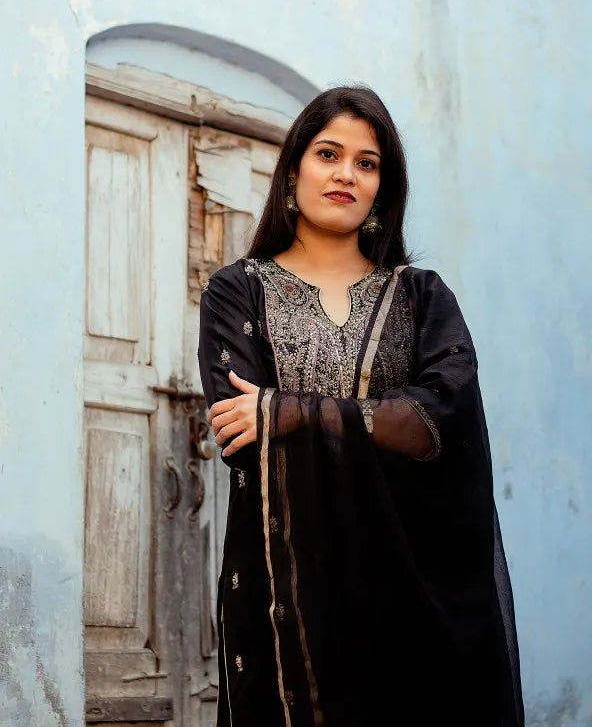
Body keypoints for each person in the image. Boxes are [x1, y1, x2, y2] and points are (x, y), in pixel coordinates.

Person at [198, 86, 524, 727]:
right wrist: (374, 422)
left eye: (367, 162)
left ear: (383, 186)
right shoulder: (238, 293)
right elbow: (243, 434)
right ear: (295, 169)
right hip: (289, 596)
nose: (346, 173)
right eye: (328, 154)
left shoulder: (421, 298)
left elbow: (439, 422)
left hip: (414, 596)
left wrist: (291, 412)